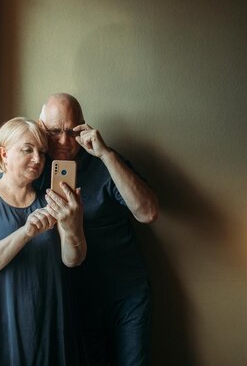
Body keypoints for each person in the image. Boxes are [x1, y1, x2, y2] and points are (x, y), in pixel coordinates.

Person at [37, 93, 159, 366]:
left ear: (84, 127)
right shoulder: (34, 163)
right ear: (40, 126)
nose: (64, 141)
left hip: (126, 295)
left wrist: (105, 153)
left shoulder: (105, 162)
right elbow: (2, 212)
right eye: (54, 131)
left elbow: (148, 212)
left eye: (71, 131)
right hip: (76, 298)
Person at [0, 116, 86, 366]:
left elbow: (73, 260)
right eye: (27, 150)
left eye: (41, 151)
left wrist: (73, 227)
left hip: (49, 315)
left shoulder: (51, 199)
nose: (38, 159)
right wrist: (25, 232)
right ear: (4, 154)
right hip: (1, 318)